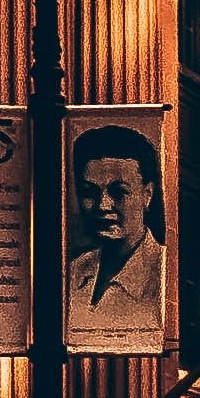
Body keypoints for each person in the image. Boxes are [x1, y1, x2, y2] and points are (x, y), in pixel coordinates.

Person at [70, 126, 168, 331]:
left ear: (147, 195)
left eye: (119, 192)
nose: (102, 205)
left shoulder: (165, 272)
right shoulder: (75, 270)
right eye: (89, 192)